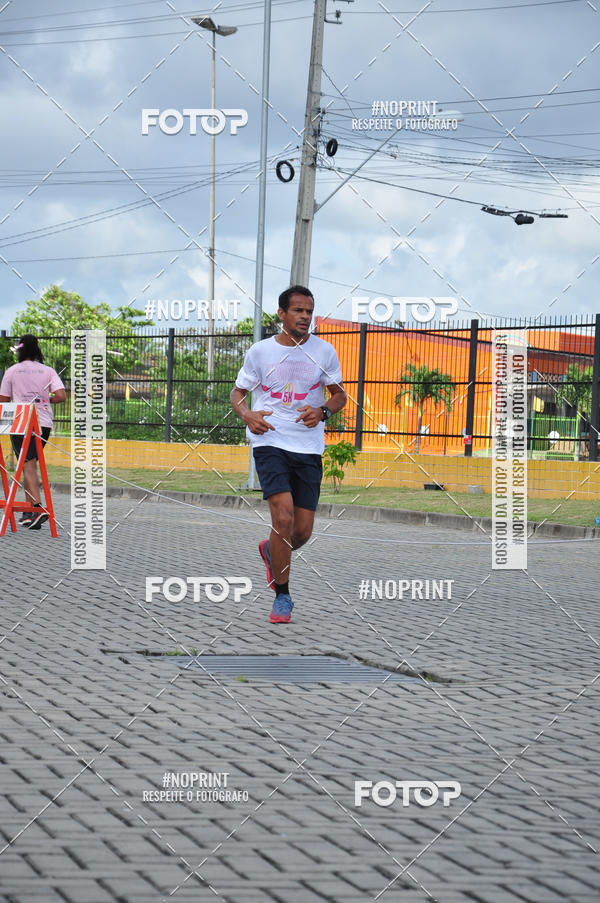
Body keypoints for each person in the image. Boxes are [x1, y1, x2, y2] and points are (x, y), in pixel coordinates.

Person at [231, 286, 347, 623]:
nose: (305, 317)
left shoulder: (324, 351)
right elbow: (238, 393)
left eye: (309, 311)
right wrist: (248, 415)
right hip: (270, 440)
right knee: (282, 520)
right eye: (298, 311)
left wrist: (323, 411)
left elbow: (338, 395)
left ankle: (271, 551)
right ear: (282, 314)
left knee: (302, 532)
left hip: (308, 445)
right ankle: (282, 596)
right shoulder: (260, 352)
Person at [0, 334, 66, 529]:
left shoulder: (12, 371)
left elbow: (3, 399)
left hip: (21, 421)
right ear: (37, 350)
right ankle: (30, 514)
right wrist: (44, 400)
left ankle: (38, 507)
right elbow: (61, 396)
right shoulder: (48, 371)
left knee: (27, 464)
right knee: (29, 464)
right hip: (43, 422)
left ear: (20, 350)